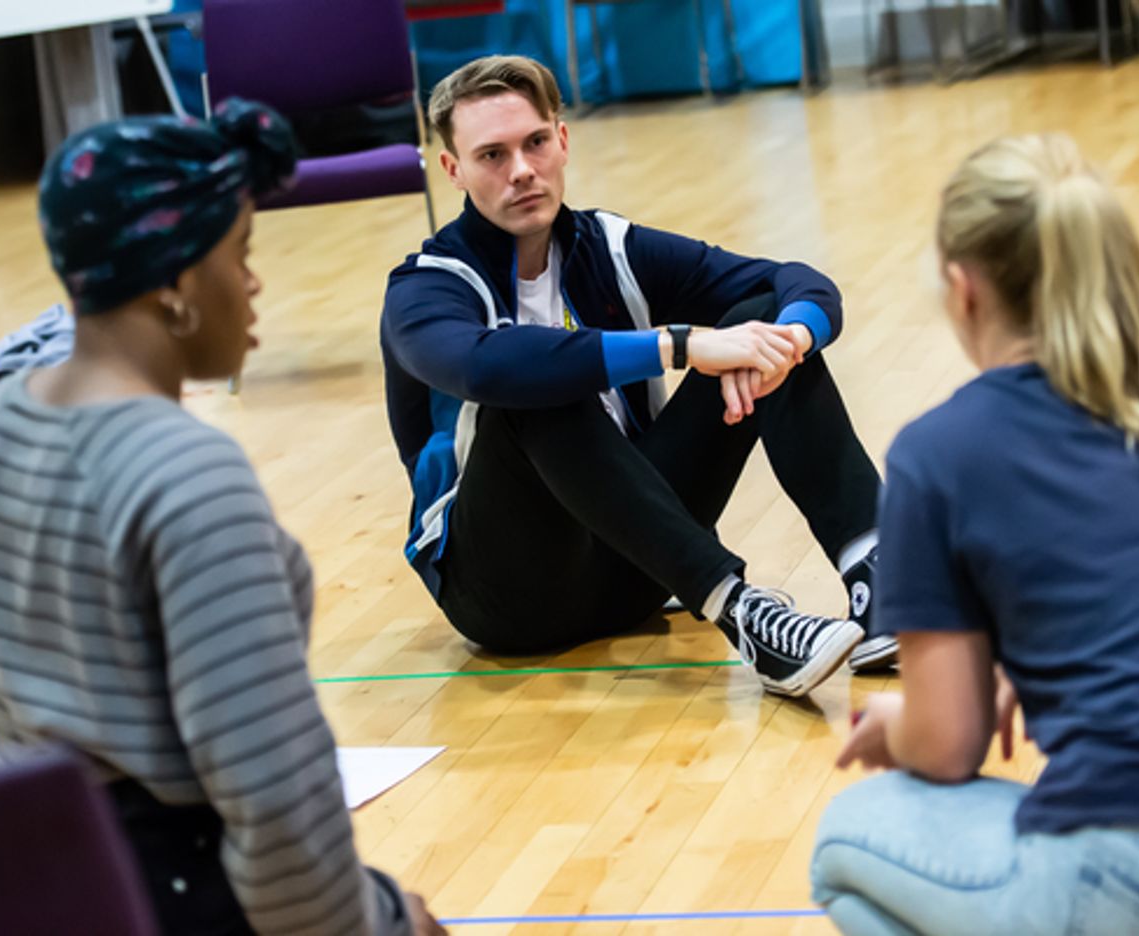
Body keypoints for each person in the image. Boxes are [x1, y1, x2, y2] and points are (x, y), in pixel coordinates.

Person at [0, 101, 445, 936]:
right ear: (175, 284)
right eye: (239, 254)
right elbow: (276, 802)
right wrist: (387, 922)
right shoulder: (189, 474)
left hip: (34, 879)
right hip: (172, 893)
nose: (252, 285)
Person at [811, 134, 1139, 934]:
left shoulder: (940, 452)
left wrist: (900, 722)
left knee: (845, 844)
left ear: (964, 290)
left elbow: (949, 747)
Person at [381, 55, 892, 696]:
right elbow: (483, 366)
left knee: (761, 324)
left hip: (640, 565)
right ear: (452, 170)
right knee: (534, 382)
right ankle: (742, 612)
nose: (522, 171)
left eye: (535, 143)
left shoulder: (610, 246)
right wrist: (680, 346)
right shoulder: (425, 287)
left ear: (562, 140)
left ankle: (877, 579)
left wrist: (787, 342)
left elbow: (789, 281)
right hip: (506, 594)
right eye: (491, 156)